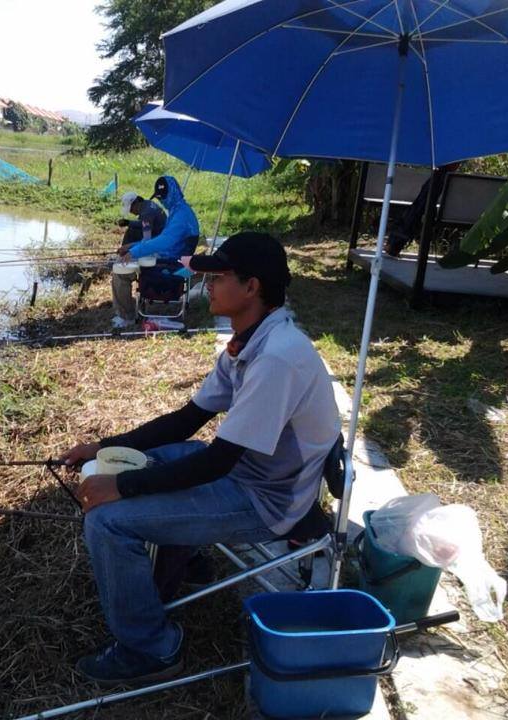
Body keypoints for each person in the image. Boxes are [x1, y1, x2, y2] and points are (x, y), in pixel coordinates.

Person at [62, 232, 341, 687]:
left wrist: (121, 487)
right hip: (250, 473)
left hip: (265, 499)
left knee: (108, 521)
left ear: (252, 287)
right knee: (143, 460)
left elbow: (217, 463)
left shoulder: (276, 359)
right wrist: (104, 446)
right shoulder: (250, 340)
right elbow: (189, 419)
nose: (207, 284)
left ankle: (150, 648)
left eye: (219, 276)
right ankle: (186, 560)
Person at [111, 176, 199, 329]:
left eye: (163, 197)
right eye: (159, 198)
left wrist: (134, 252)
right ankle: (127, 312)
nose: (161, 201)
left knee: (120, 272)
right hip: (167, 258)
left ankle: (127, 317)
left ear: (172, 194)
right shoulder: (178, 210)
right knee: (122, 264)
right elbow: (162, 239)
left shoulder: (181, 216)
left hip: (170, 265)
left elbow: (164, 241)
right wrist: (132, 247)